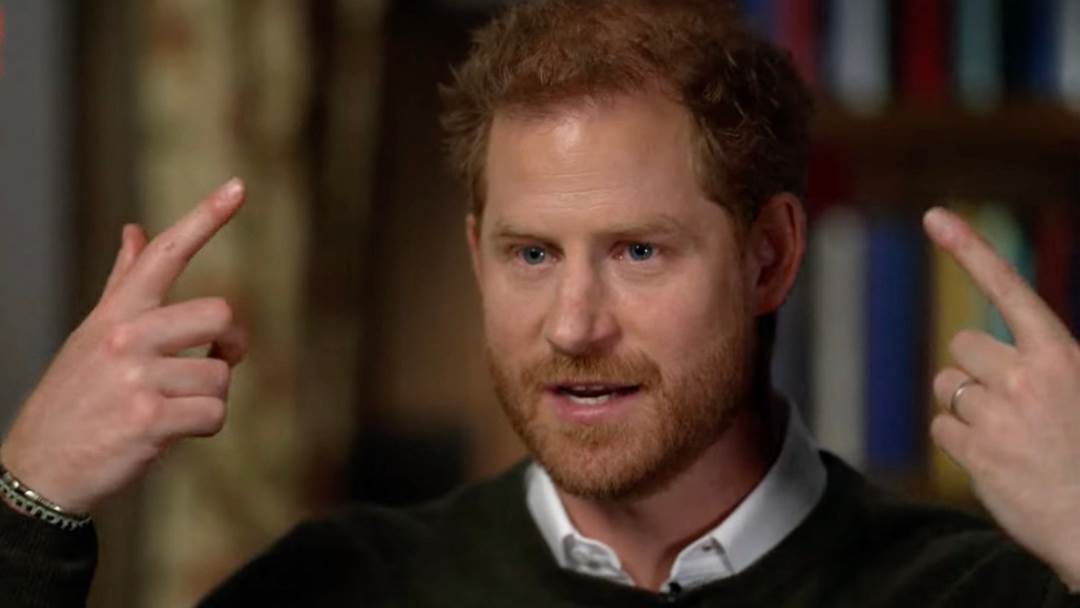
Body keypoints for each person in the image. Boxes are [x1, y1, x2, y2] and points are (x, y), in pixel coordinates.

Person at [2, 0, 1080, 605]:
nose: (572, 324)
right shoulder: (340, 590)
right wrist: (30, 500)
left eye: (639, 251)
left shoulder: (976, 596)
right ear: (477, 255)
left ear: (770, 257)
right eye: (529, 255)